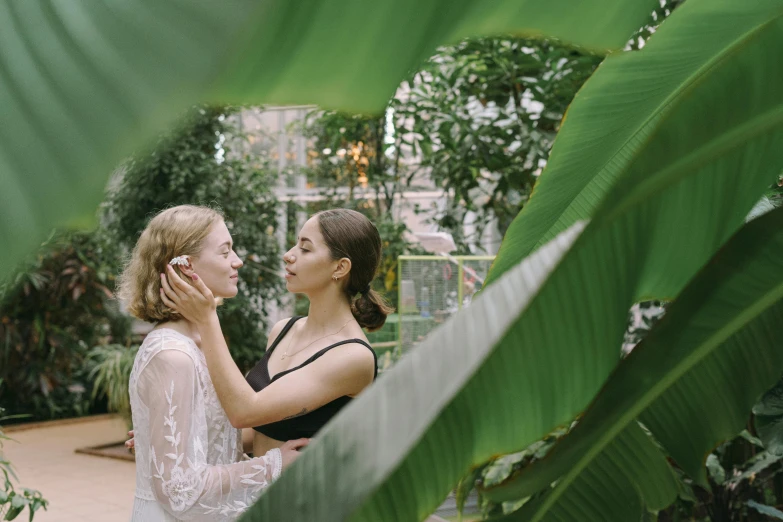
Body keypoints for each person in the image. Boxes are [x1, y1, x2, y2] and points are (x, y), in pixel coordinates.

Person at [120, 205, 308, 521]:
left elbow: (213, 447)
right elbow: (178, 490)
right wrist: (272, 465)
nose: (237, 261)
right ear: (187, 267)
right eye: (225, 252)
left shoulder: (200, 342)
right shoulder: (173, 356)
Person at [159, 208, 393, 458]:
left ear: (340, 267)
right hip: (257, 490)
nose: (288, 255)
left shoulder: (353, 356)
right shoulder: (283, 330)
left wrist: (207, 319)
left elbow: (244, 412)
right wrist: (173, 439)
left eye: (305, 248)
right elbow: (256, 431)